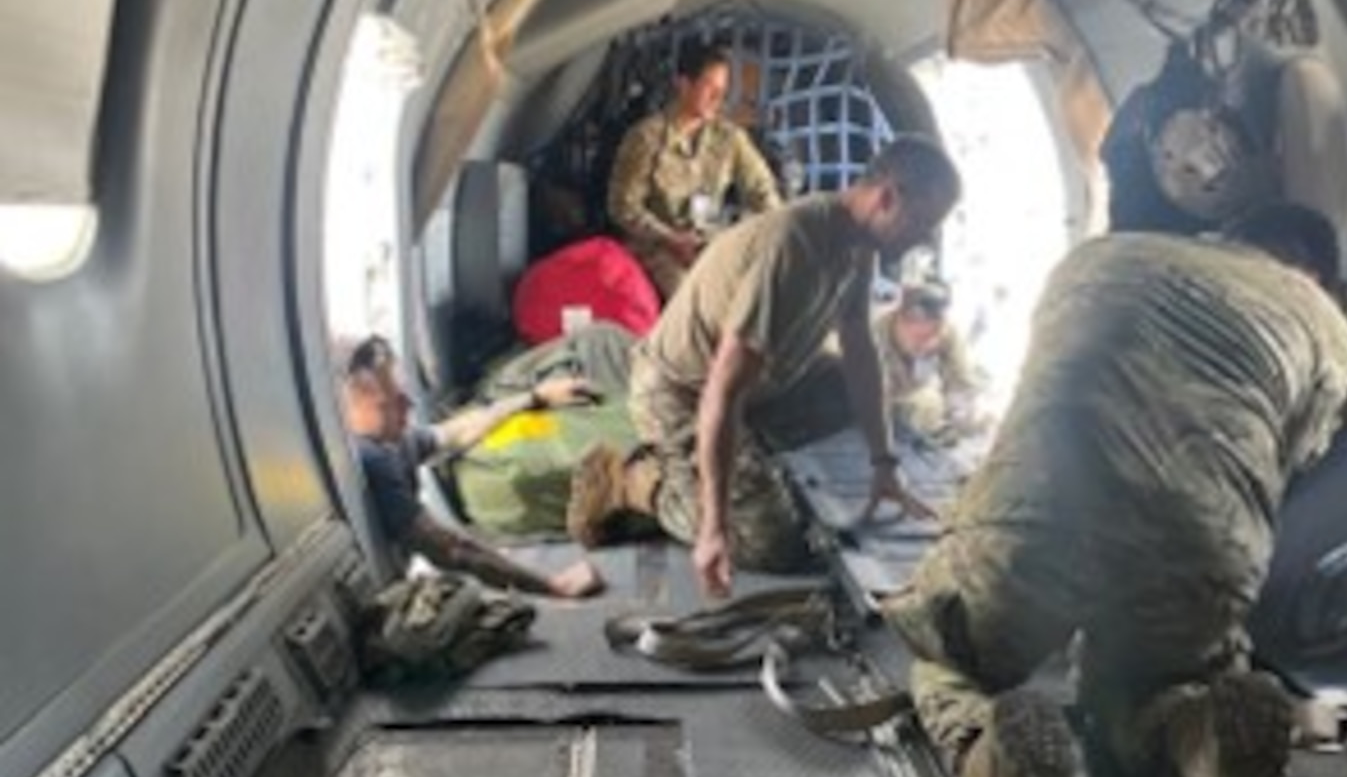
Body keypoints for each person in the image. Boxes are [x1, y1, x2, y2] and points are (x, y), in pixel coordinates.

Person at [883, 203, 1347, 777]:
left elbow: (1042, 391)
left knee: (951, 656)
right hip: (1204, 529)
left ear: (1223, 237)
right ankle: (1198, 737)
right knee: (1155, 686)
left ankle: (1006, 767)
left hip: (1034, 509)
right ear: (1317, 276)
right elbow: (1288, 467)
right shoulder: (1327, 326)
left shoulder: (1104, 256)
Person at [569, 135, 963, 598]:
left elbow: (859, 346)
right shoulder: (794, 247)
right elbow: (723, 389)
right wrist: (713, 528)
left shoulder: (857, 244)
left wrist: (884, 463)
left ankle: (747, 457)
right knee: (771, 541)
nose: (925, 238)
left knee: (860, 396)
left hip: (764, 382)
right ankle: (635, 482)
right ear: (887, 198)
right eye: (923, 222)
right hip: (682, 392)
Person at [342, 335, 605, 598]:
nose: (408, 406)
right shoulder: (372, 459)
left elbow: (456, 432)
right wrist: (550, 586)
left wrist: (535, 397)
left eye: (403, 396)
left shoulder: (393, 441)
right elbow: (451, 550)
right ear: (348, 412)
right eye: (389, 404)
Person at [607, 39, 782, 300]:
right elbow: (623, 206)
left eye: (722, 90)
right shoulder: (646, 138)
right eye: (709, 86)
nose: (717, 98)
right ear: (684, 84)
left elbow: (762, 189)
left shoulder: (730, 138)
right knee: (687, 295)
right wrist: (670, 239)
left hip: (709, 242)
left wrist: (773, 231)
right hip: (657, 248)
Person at [873, 269, 988, 447]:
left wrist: (961, 413)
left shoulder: (947, 332)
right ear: (899, 321)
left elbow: (960, 381)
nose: (930, 344)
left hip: (915, 411)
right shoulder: (869, 337)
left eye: (936, 333)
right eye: (921, 338)